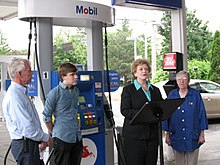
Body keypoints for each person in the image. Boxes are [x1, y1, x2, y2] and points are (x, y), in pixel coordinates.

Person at [2, 58, 52, 165]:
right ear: (20, 74)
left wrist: (39, 140)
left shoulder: (20, 93)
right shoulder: (14, 97)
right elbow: (27, 128)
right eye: (29, 71)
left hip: (30, 143)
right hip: (25, 146)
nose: (32, 74)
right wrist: (46, 138)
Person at [120, 58, 163, 165]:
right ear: (135, 73)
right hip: (134, 136)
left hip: (152, 136)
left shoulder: (155, 90)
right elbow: (125, 110)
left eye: (146, 69)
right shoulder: (128, 90)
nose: (144, 71)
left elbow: (160, 107)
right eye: (141, 69)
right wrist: (144, 114)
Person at [162, 70, 208, 165]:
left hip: (192, 135)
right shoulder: (172, 95)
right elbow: (167, 115)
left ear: (188, 81)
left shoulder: (195, 94)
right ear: (176, 80)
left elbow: (201, 113)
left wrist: (202, 134)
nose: (181, 81)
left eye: (184, 79)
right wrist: (167, 135)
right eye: (179, 79)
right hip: (176, 135)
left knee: (192, 162)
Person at [42, 62, 83, 165]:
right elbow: (46, 116)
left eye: (76, 74)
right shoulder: (54, 93)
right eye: (72, 74)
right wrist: (54, 132)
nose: (76, 77)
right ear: (63, 76)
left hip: (76, 136)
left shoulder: (76, 91)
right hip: (62, 137)